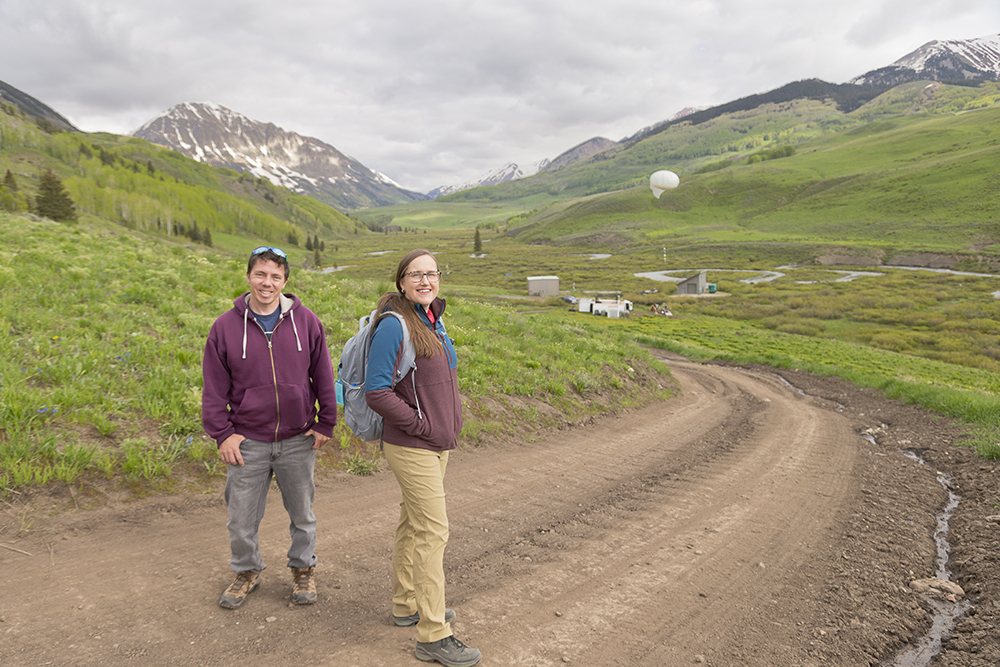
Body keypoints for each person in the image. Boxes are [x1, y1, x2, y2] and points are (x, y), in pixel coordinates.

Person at [202, 246, 337, 610]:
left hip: (298, 438)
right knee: (241, 518)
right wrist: (222, 433)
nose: (267, 282)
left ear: (285, 281)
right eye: (261, 274)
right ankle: (247, 572)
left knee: (303, 514)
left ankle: (303, 568)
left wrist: (326, 421)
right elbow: (213, 387)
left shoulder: (306, 321)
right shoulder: (224, 327)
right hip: (247, 441)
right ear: (248, 277)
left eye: (275, 276)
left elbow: (323, 373)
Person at [365, 249, 481, 667]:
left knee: (413, 524)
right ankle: (434, 634)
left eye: (431, 273)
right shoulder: (395, 327)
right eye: (416, 274)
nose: (425, 281)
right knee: (434, 532)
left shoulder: (432, 317)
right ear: (401, 282)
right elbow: (377, 391)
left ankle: (406, 604)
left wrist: (445, 424)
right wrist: (422, 425)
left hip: (434, 443)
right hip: (413, 444)